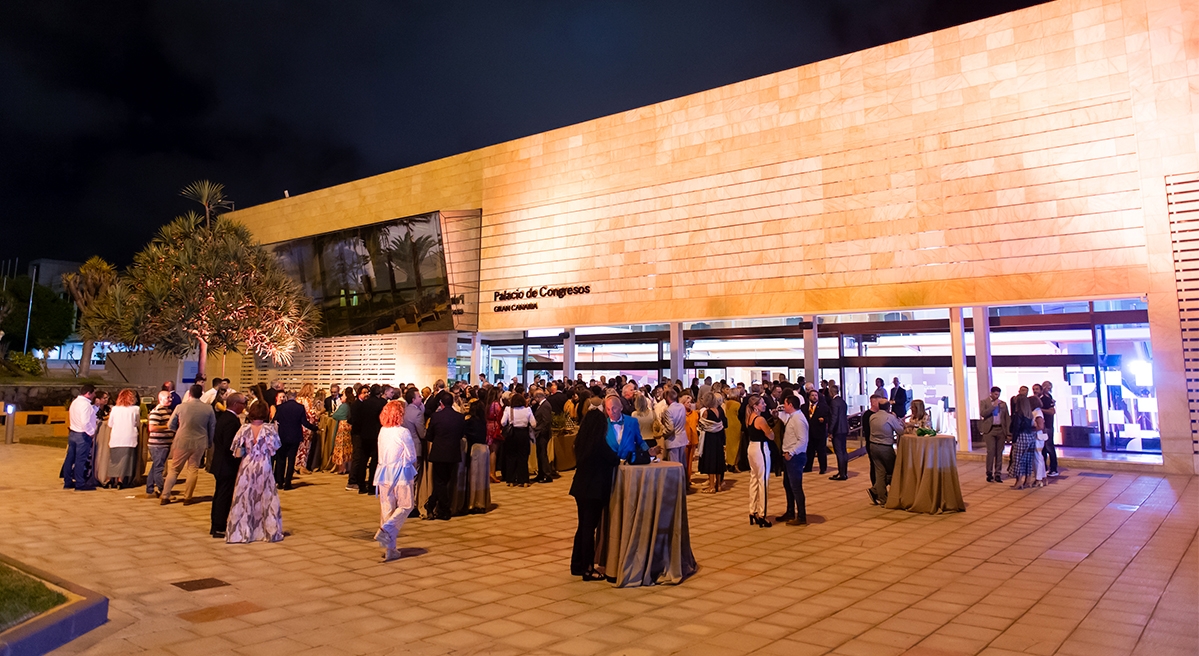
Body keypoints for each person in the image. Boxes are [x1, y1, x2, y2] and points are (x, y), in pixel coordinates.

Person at [569, 409, 621, 580]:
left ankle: (577, 564)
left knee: (582, 527)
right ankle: (588, 568)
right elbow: (613, 459)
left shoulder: (581, 441)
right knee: (589, 529)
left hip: (580, 487)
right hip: (593, 490)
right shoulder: (598, 443)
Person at [226, 401, 283, 543]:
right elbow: (274, 449)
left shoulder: (243, 429)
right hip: (263, 464)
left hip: (247, 465)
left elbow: (235, 450)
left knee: (244, 498)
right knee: (266, 498)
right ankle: (267, 530)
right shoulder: (269, 429)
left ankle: (241, 532)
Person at [375, 399, 418, 561]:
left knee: (387, 509)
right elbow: (411, 455)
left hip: (383, 473)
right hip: (400, 473)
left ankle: (390, 549)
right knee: (406, 505)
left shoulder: (382, 431)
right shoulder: (403, 432)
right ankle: (387, 530)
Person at [160, 385, 216, 506]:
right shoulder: (208, 409)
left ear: (189, 394)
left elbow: (170, 424)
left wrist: (179, 430)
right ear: (201, 394)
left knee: (174, 469)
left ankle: (165, 495)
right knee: (193, 468)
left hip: (182, 441)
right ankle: (188, 497)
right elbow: (212, 427)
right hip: (200, 441)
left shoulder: (181, 407)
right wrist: (210, 442)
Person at [210, 393, 246, 539]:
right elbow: (230, 445)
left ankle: (217, 524)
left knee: (220, 495)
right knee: (223, 496)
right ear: (236, 404)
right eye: (243, 403)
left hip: (220, 463)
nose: (245, 406)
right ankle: (219, 526)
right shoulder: (231, 420)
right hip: (226, 465)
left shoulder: (225, 417)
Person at [425, 392, 465, 519]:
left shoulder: (436, 417)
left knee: (439, 481)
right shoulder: (459, 417)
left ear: (441, 403)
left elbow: (429, 436)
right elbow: (460, 435)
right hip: (453, 452)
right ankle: (435, 506)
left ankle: (439, 507)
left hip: (439, 452)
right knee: (445, 481)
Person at [274, 391, 318, 490]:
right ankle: (288, 483)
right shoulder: (300, 407)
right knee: (291, 460)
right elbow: (304, 423)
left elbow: (276, 419)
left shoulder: (281, 407)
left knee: (281, 460)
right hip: (294, 436)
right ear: (295, 397)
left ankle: (280, 482)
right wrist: (315, 428)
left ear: (287, 397)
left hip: (282, 436)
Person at [776, 394, 809, 526]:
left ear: (790, 404)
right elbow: (783, 419)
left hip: (795, 457)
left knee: (796, 487)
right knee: (788, 486)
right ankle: (790, 511)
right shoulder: (792, 417)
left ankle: (801, 516)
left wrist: (791, 452)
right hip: (789, 456)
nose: (783, 406)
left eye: (785, 403)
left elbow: (803, 440)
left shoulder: (798, 419)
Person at [866, 398, 905, 506]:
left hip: (873, 446)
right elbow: (900, 431)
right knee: (894, 471)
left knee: (880, 472)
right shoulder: (890, 417)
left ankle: (881, 497)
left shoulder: (872, 417)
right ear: (889, 407)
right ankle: (877, 491)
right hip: (885, 447)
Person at [350, 385, 386, 494]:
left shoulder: (363, 403)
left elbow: (358, 419)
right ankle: (372, 486)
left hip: (364, 434)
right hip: (376, 434)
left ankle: (361, 486)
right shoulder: (381, 403)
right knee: (374, 461)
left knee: (363, 459)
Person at [743, 395, 773, 528]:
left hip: (751, 447)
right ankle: (762, 514)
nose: (765, 405)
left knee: (754, 479)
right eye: (762, 403)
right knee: (763, 481)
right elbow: (770, 436)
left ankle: (752, 510)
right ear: (755, 406)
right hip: (761, 448)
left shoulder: (749, 417)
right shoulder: (760, 419)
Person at [62, 384, 98, 491]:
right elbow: (85, 421)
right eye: (93, 393)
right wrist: (91, 433)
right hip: (82, 434)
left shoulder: (75, 402)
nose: (94, 395)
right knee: (80, 460)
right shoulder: (85, 405)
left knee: (70, 458)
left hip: (73, 432)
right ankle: (80, 483)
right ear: (88, 393)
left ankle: (67, 481)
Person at [105, 389, 140, 489]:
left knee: (114, 460)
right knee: (126, 460)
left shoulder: (115, 409)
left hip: (116, 437)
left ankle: (109, 479)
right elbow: (137, 423)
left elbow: (110, 424)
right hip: (129, 436)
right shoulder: (135, 409)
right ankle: (120, 480)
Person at [501, 392, 536, 487]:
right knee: (523, 457)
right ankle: (524, 480)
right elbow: (533, 424)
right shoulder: (528, 409)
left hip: (512, 434)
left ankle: (511, 480)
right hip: (523, 434)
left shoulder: (508, 409)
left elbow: (503, 422)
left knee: (511, 457)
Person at [146, 390, 176, 497]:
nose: (170, 399)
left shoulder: (168, 411)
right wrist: (168, 426)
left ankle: (150, 489)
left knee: (155, 467)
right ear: (161, 399)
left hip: (165, 443)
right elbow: (152, 427)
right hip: (158, 444)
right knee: (159, 469)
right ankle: (163, 491)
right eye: (168, 397)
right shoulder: (157, 411)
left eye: (171, 397)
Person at [697, 393, 727, 493]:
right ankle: (718, 485)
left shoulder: (707, 412)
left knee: (711, 461)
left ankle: (711, 486)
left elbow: (702, 425)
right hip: (718, 438)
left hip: (709, 439)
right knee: (718, 460)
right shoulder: (719, 410)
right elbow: (720, 424)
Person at [464, 399, 490, 513]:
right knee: (482, 477)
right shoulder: (483, 421)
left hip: (475, 450)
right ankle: (482, 502)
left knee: (474, 477)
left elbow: (467, 433)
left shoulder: (471, 421)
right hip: (484, 449)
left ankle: (473, 502)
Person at [979, 387, 1010, 483]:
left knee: (999, 452)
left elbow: (1007, 418)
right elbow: (983, 413)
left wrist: (1008, 433)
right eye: (995, 394)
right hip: (990, 430)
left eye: (998, 394)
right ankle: (989, 473)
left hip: (1000, 429)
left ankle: (998, 473)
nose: (997, 396)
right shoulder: (984, 402)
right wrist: (993, 407)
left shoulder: (1003, 404)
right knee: (991, 451)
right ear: (991, 393)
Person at [1009, 395, 1040, 490]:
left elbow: (1016, 428)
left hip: (1021, 437)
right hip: (1030, 437)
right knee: (1027, 460)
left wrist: (1013, 439)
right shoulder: (1030, 414)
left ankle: (1018, 482)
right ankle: (1028, 480)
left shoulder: (1018, 414)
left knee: (1018, 460)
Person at [803, 389, 830, 475]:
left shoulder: (824, 407)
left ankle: (823, 468)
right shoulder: (804, 407)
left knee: (821, 451)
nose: (814, 397)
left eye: (816, 395)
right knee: (809, 451)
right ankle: (808, 467)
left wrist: (824, 419)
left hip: (820, 433)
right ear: (809, 397)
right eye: (812, 395)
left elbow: (829, 417)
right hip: (808, 433)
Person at [295, 383, 319, 474]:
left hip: (298, 426)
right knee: (305, 447)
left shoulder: (297, 399)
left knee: (298, 447)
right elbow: (311, 414)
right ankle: (302, 466)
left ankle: (296, 465)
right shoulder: (308, 401)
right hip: (306, 427)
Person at [329, 388, 354, 475]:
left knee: (341, 447)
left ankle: (341, 468)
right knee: (348, 448)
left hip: (343, 427)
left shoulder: (344, 406)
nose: (341, 397)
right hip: (349, 427)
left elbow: (335, 415)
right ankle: (348, 467)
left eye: (343, 395)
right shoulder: (351, 405)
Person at [828, 384, 850, 481]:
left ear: (831, 392)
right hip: (844, 428)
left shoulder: (834, 402)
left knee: (839, 452)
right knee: (843, 451)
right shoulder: (842, 401)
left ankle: (842, 474)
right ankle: (843, 471)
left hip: (837, 429)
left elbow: (834, 417)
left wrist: (830, 430)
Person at [662, 388, 689, 467]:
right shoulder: (681, 406)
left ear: (668, 398)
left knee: (674, 467)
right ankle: (683, 479)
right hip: (682, 439)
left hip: (673, 441)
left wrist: (662, 433)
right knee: (682, 465)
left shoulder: (668, 410)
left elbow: (670, 429)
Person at [1038, 381, 1059, 477]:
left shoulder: (1047, 398)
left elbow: (1052, 411)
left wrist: (1039, 410)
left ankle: (1053, 469)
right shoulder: (1046, 398)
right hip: (1044, 425)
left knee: (1049, 446)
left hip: (1047, 426)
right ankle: (1045, 468)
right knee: (1044, 447)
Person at [532, 391, 554, 483]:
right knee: (539, 454)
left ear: (538, 397)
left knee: (543, 454)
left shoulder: (545, 405)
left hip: (542, 434)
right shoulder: (542, 405)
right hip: (540, 433)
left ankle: (547, 475)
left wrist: (538, 430)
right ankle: (541, 474)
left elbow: (546, 421)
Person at [485, 387, 503, 483]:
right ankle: (492, 472)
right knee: (494, 451)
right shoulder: (496, 404)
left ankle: (489, 472)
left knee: (490, 450)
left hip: (488, 426)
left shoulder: (488, 404)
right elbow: (500, 416)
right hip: (495, 427)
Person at [724, 391, 742, 472]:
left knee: (729, 445)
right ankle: (735, 464)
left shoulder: (726, 404)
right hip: (736, 425)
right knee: (736, 446)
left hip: (728, 425)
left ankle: (729, 462)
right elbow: (740, 415)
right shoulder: (737, 405)